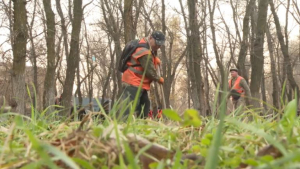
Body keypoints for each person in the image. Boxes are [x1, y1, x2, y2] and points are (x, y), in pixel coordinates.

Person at [120, 31, 165, 119]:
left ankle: (142, 125)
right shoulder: (144, 51)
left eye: (160, 45)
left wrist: (155, 59)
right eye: (157, 44)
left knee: (145, 105)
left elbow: (144, 61)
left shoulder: (145, 46)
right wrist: (159, 79)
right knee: (129, 107)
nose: (158, 47)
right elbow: (150, 71)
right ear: (151, 38)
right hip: (132, 82)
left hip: (139, 82)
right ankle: (121, 125)